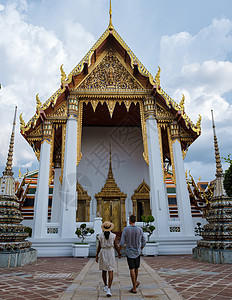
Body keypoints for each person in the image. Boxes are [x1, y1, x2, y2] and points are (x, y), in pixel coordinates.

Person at [119, 215, 146, 294]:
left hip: (129, 251)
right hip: (137, 251)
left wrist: (119, 251)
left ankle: (134, 287)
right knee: (136, 267)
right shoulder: (139, 229)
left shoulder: (126, 229)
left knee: (132, 268)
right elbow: (144, 241)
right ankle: (135, 282)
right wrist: (141, 248)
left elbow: (122, 241)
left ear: (130, 221)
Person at [96, 221, 121, 297]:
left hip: (103, 252)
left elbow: (99, 246)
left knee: (104, 270)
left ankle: (106, 285)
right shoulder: (113, 235)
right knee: (110, 270)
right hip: (110, 252)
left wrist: (97, 255)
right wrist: (119, 253)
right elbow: (116, 246)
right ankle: (109, 288)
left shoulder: (100, 236)